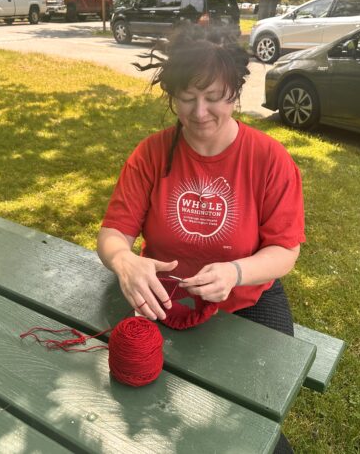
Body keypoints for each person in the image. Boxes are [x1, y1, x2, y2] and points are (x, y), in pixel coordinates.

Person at [97, 24, 305, 452]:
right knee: (145, 406)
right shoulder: (152, 153)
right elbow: (114, 233)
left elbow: (285, 250)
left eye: (214, 98)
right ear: (171, 95)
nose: (199, 112)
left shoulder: (269, 159)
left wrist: (235, 271)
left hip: (246, 299)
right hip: (162, 295)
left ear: (235, 92)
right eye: (186, 99)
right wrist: (124, 262)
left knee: (250, 414)